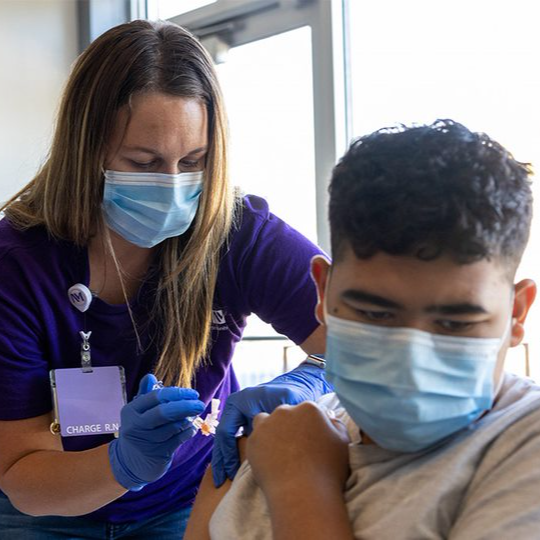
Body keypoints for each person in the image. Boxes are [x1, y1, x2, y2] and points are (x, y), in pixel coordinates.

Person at [0, 19, 332, 538]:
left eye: (194, 162)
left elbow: (362, 337)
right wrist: (124, 464)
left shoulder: (238, 234)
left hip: (186, 495)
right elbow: (23, 476)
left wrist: (307, 382)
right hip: (44, 510)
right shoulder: (17, 266)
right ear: (86, 151)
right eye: (144, 162)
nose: (173, 186)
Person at [184, 119, 540, 540]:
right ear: (323, 292)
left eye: (454, 323)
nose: (412, 361)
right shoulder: (278, 437)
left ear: (516, 313)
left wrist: (301, 485)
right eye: (376, 314)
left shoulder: (522, 448)